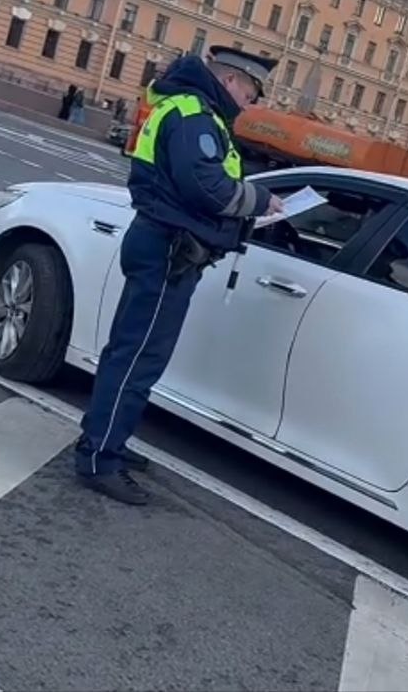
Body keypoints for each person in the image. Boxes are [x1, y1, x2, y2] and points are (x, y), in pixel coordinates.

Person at [74, 46, 283, 504]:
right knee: (138, 357)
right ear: (230, 81)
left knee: (130, 351)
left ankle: (106, 437)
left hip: (163, 244)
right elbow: (206, 187)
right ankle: (99, 458)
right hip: (168, 249)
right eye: (250, 93)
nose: (250, 103)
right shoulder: (194, 116)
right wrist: (259, 200)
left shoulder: (191, 109)